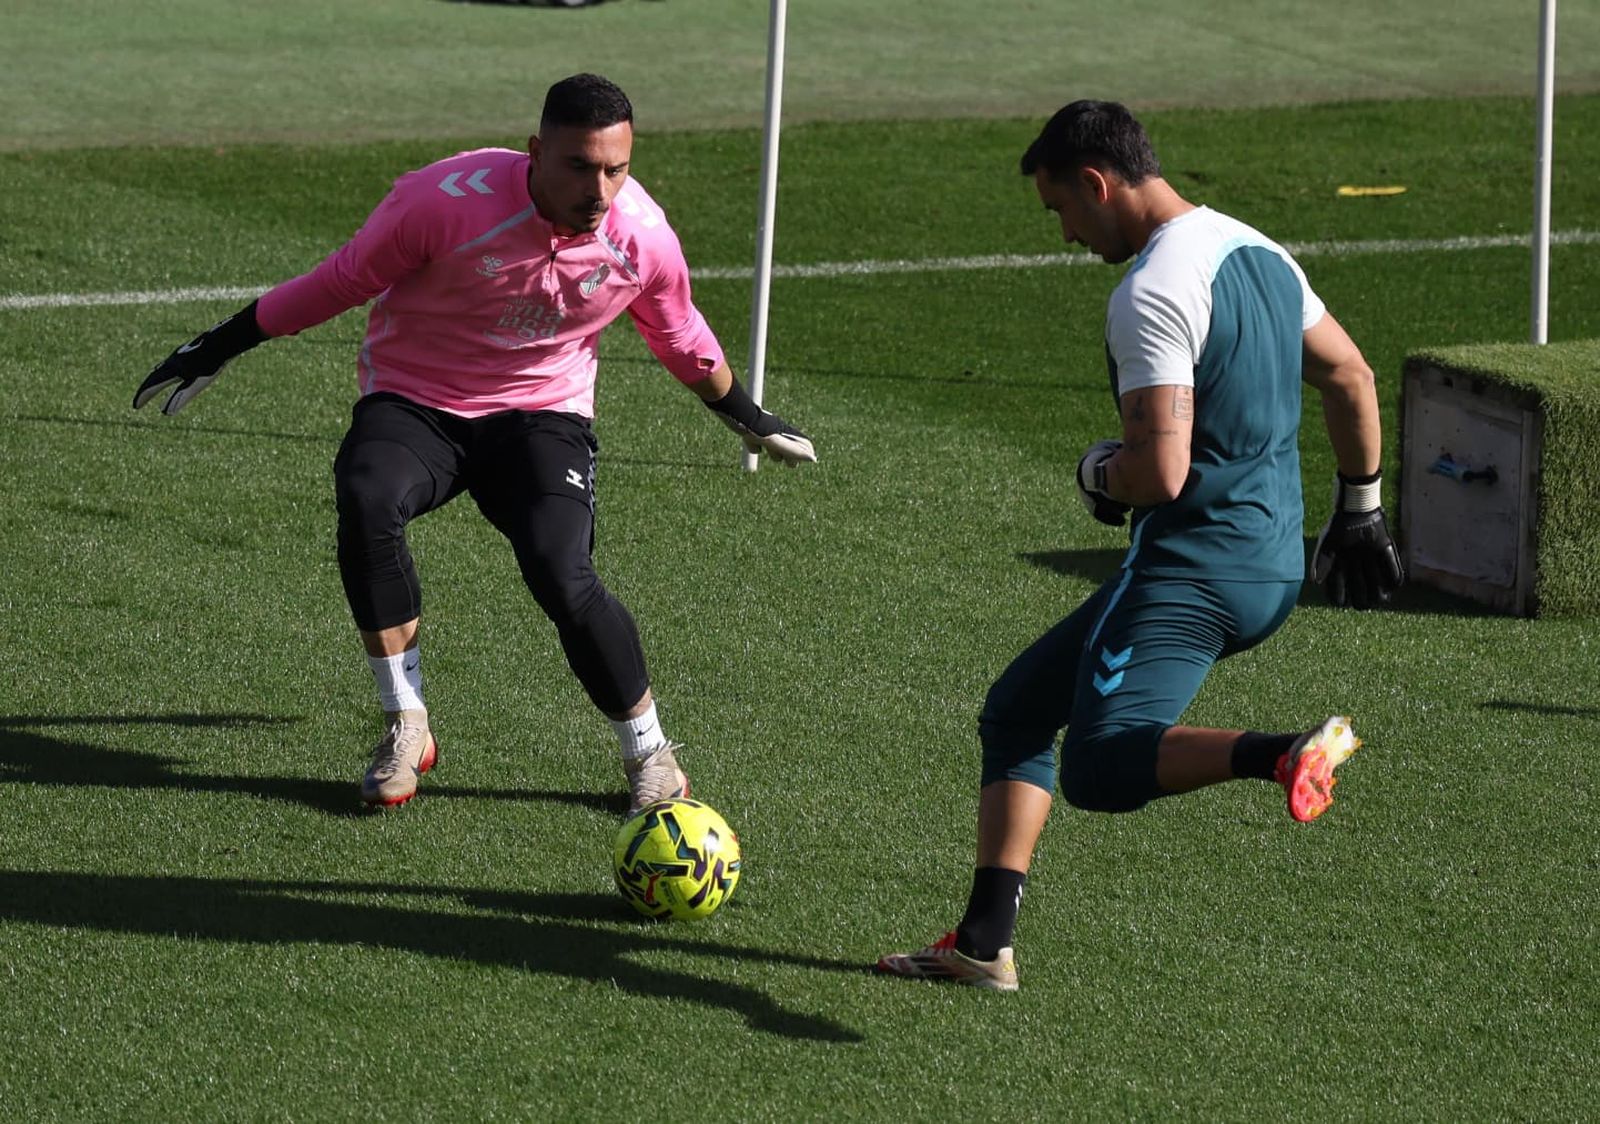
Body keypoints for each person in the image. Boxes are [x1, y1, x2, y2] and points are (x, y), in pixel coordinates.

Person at [134, 73, 816, 812]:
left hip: (543, 414)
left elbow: (678, 331)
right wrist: (221, 343)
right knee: (368, 500)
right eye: (579, 166)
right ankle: (406, 722)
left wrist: (747, 416)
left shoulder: (641, 238)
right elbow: (343, 280)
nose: (599, 190)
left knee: (561, 570)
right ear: (535, 152)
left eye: (616, 169)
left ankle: (651, 755)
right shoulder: (442, 201)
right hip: (417, 399)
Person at [876, 100, 1403, 991]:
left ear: (1096, 182)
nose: (1066, 235)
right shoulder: (1259, 251)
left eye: (1062, 210)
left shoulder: (1153, 290)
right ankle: (982, 944)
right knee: (1017, 712)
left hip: (1190, 571)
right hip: (1272, 565)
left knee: (1099, 766)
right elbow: (1350, 373)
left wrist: (1095, 475)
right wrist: (1361, 510)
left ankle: (1285, 751)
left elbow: (1159, 472)